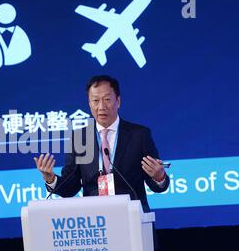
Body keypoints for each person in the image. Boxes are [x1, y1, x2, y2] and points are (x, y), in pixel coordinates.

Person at [34, 75, 169, 212]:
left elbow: (156, 184)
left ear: (118, 101)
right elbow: (71, 188)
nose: (101, 106)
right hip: (95, 222)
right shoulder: (80, 138)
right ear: (89, 104)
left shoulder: (139, 135)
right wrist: (50, 178)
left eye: (107, 99)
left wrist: (159, 177)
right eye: (95, 101)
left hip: (133, 216)